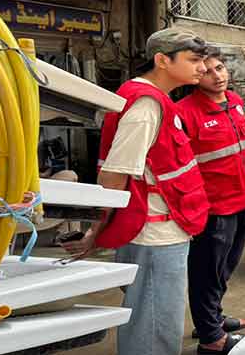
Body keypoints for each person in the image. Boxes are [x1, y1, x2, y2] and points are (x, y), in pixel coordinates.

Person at [62, 27, 211, 355]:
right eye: (194, 60)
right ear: (162, 60)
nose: (203, 68)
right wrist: (96, 230)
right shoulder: (146, 106)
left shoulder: (153, 100)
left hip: (162, 231)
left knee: (152, 319)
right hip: (155, 237)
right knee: (155, 328)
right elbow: (115, 176)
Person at [178, 48, 245, 354]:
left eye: (220, 68)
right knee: (206, 271)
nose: (217, 75)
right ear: (196, 76)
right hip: (213, 208)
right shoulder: (184, 112)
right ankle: (211, 338)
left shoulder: (235, 102)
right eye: (208, 71)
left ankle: (212, 318)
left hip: (243, 199)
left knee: (225, 267)